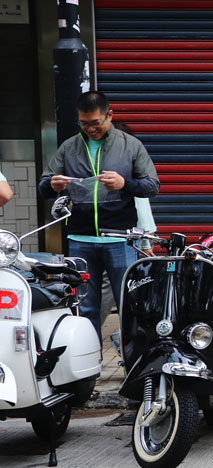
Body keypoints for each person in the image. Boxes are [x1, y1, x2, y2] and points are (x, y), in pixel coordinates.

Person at [38, 90, 159, 344]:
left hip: (119, 239)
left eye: (96, 122)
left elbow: (152, 185)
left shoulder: (130, 145)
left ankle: (133, 362)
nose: (91, 128)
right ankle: (89, 368)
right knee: (84, 308)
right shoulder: (69, 147)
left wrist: (124, 183)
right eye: (84, 123)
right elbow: (43, 187)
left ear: (109, 115)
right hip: (80, 239)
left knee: (130, 305)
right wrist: (54, 185)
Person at [99, 121, 158, 327]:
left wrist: (145, 244)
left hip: (129, 238)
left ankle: (97, 327)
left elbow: (141, 207)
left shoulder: (124, 171)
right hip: (124, 237)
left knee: (122, 286)